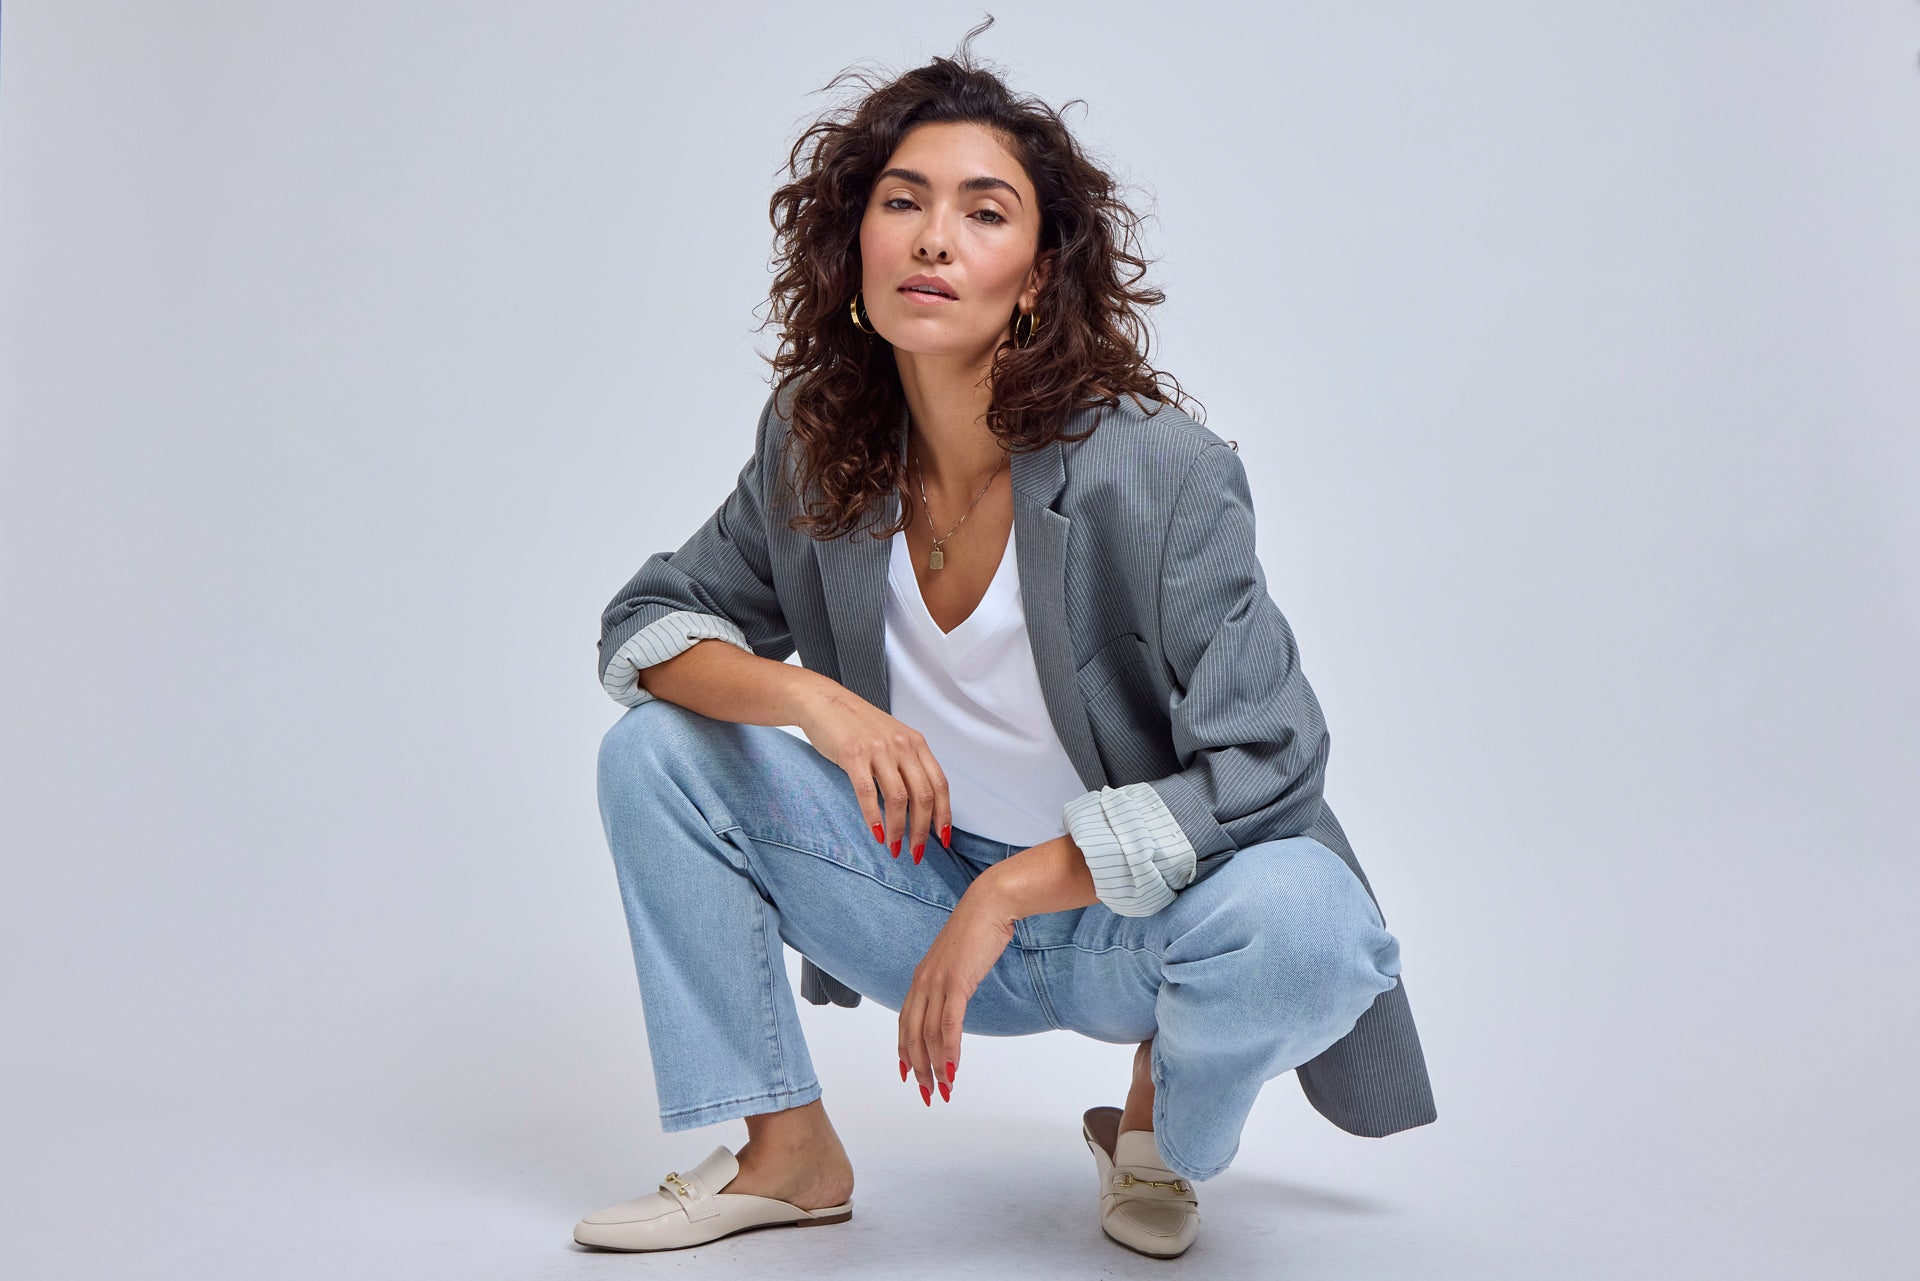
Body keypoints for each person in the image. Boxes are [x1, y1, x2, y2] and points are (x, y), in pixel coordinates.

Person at [573, 20, 1435, 1258]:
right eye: (903, 202)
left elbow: (1274, 764)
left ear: (1036, 275)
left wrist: (1016, 887)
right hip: (902, 895)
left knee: (1315, 920)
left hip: (1121, 930)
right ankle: (788, 1149)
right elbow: (649, 623)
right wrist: (825, 708)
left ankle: (1149, 1126)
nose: (934, 236)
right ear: (855, 245)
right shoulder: (819, 440)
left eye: (985, 212)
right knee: (656, 751)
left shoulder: (1161, 474)